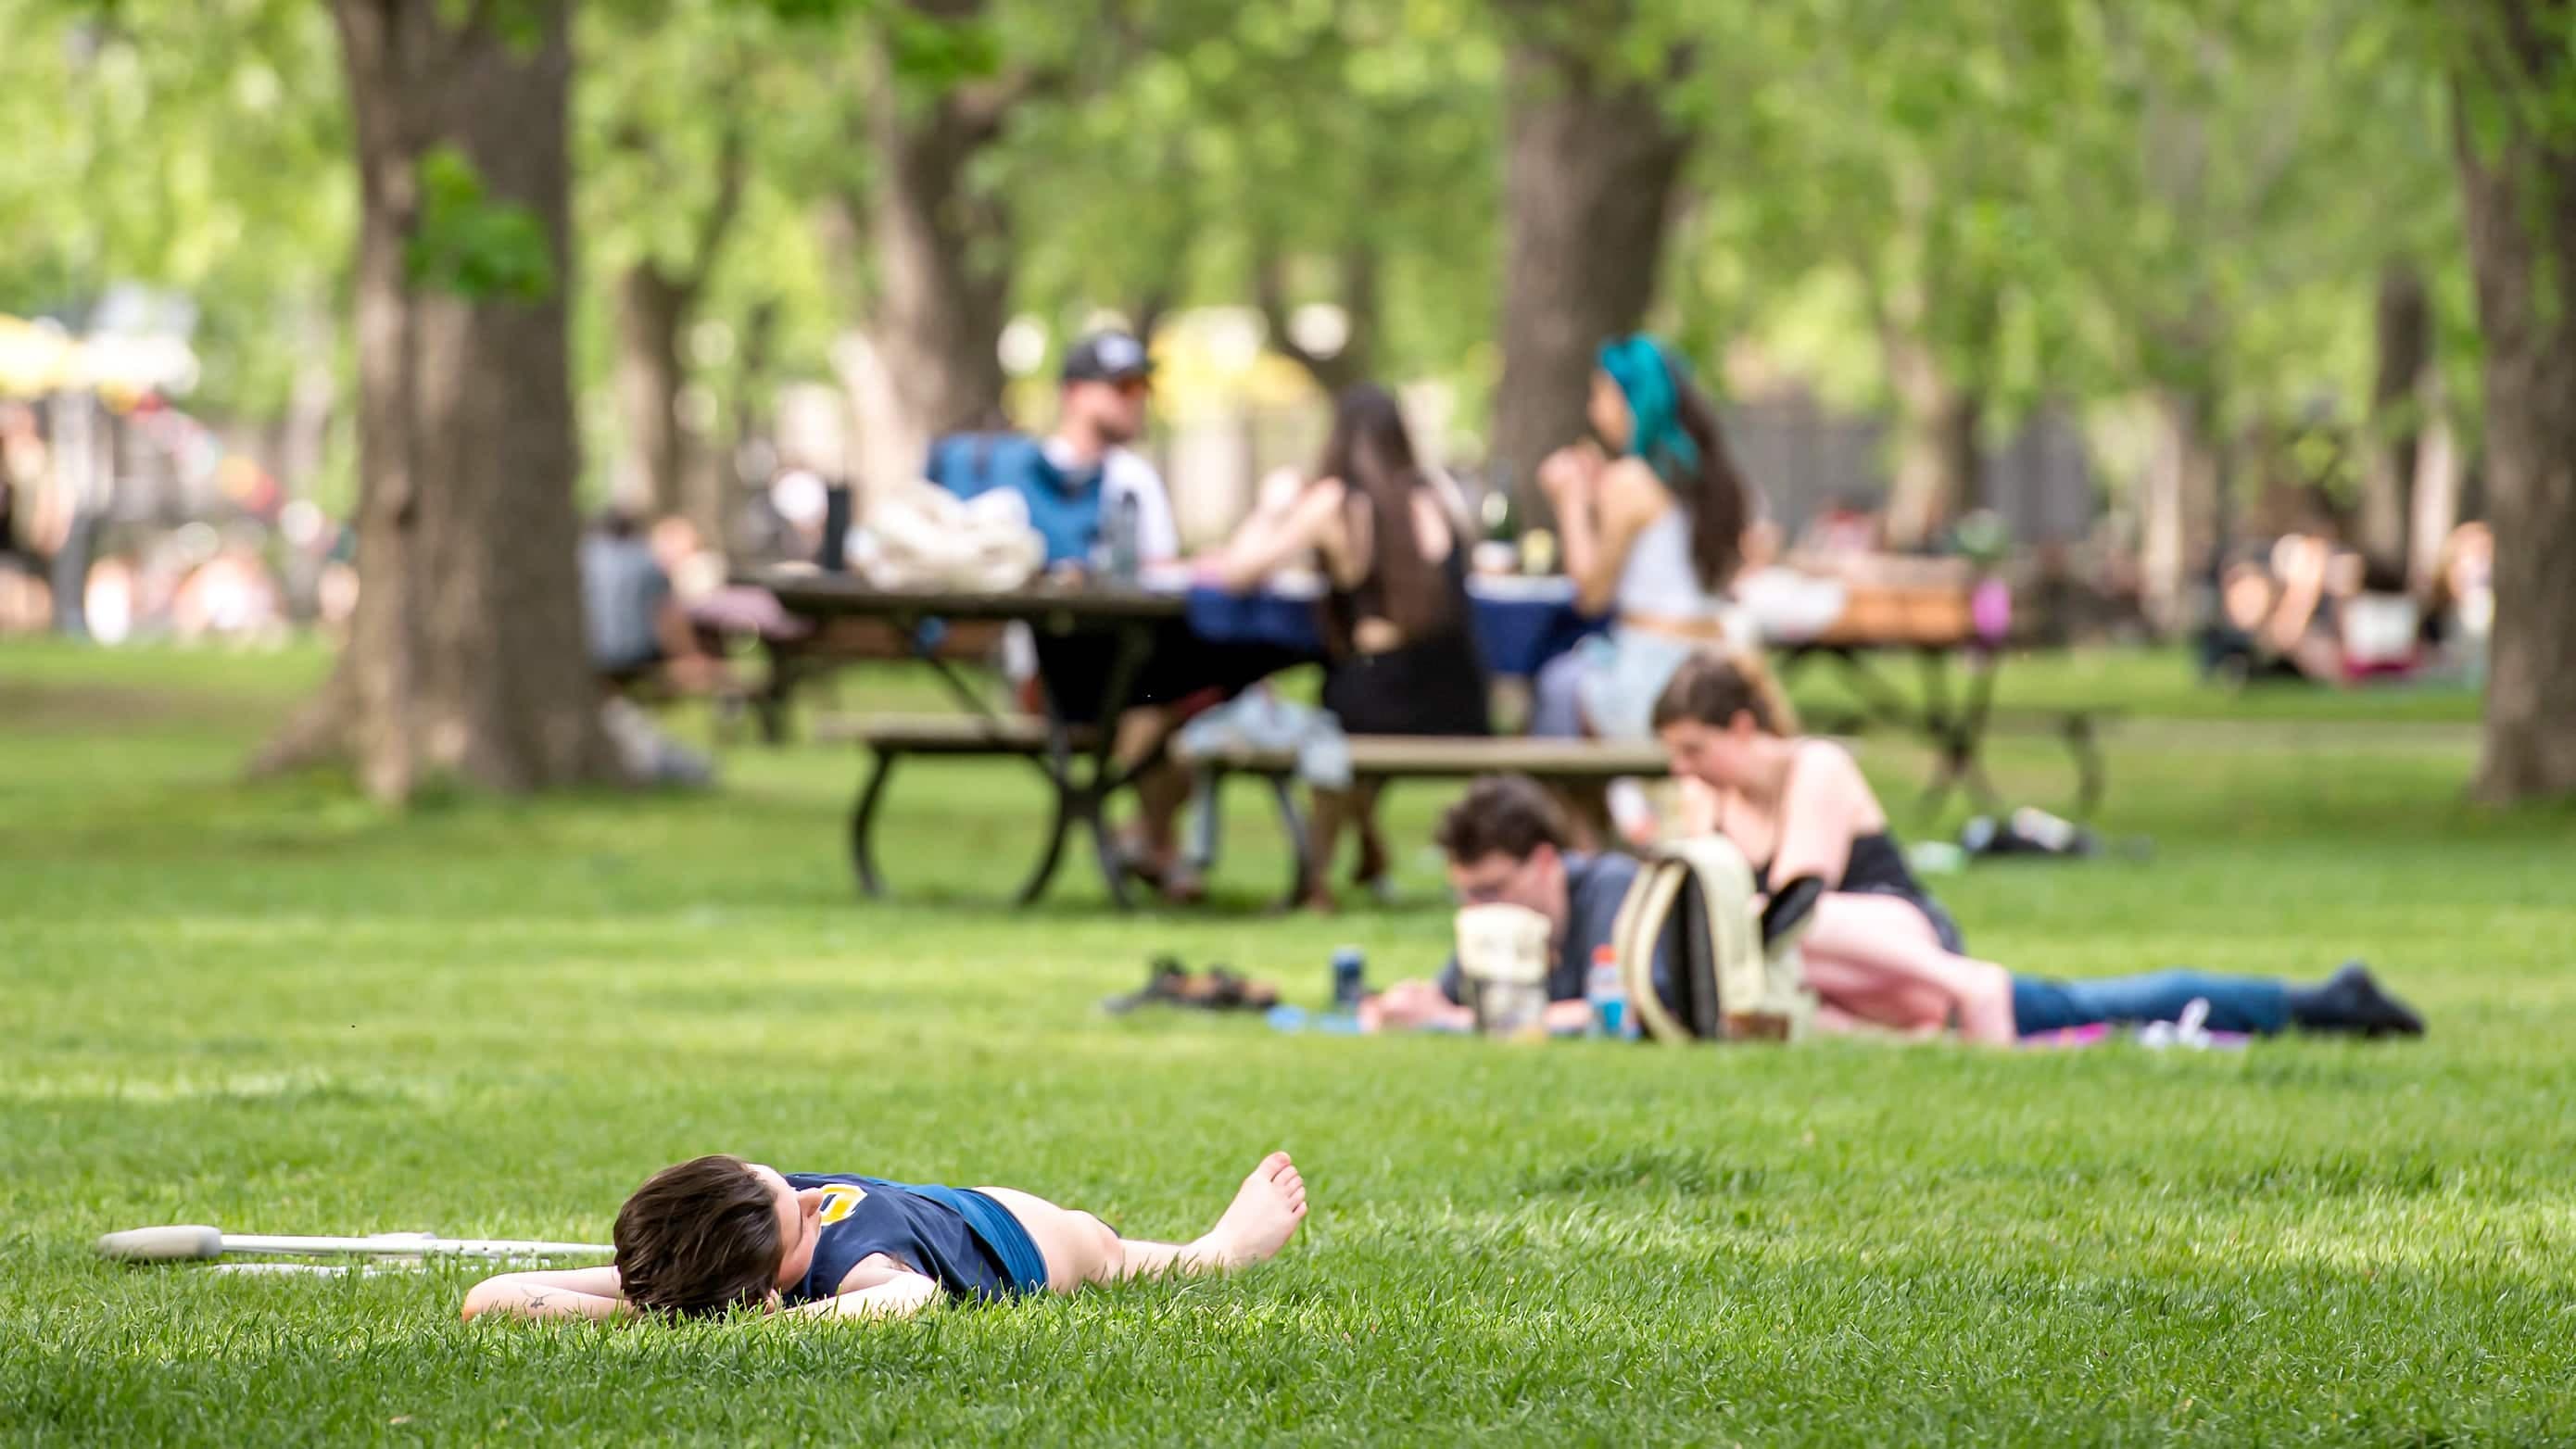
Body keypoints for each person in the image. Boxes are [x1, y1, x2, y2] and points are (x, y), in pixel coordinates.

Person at [1648, 653, 2425, 1042]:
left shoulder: (1815, 767)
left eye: (1693, 750)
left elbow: (1791, 909)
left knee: (1769, 918)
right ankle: (2324, 1003)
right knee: (2083, 1007)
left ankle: (2317, 1003)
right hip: (1843, 988)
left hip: (1902, 947)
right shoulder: (1710, 797)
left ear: (1744, 730)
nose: (1683, 771)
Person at [1206, 384, 1492, 909]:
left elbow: (1238, 572)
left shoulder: (1336, 503)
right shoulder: (1439, 496)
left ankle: (1316, 881)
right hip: (1462, 702)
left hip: (1379, 700)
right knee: (1345, 705)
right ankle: (1365, 851)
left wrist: (1273, 506)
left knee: (1336, 712)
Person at [460, 1150, 1307, 1322]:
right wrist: (706, 1318)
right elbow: (913, 1298)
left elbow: (491, 1297)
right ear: (767, 1286)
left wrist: (645, 1303)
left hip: (947, 1203)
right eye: (795, 1211)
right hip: (1029, 1246)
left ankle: (1212, 1250)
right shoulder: (858, 1274)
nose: (804, 1194)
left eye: (774, 1177)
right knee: (1126, 1258)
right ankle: (1218, 1252)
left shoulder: (690, 1272)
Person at [1528, 334, 1754, 744]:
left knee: (1557, 683)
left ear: (1632, 400)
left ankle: (1560, 804)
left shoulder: (1631, 480)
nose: (1593, 411)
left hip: (1652, 679)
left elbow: (1591, 594)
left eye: (1600, 394)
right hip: (1714, 665)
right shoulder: (1712, 480)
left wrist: (1571, 501)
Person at [1360, 775, 1684, 1035]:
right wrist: (1400, 1006)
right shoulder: (1488, 918)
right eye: (1466, 895)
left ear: (1544, 862)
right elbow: (1443, 998)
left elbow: (1628, 1011)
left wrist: (1459, 1021)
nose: (1477, 909)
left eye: (1492, 890)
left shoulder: (1611, 886)